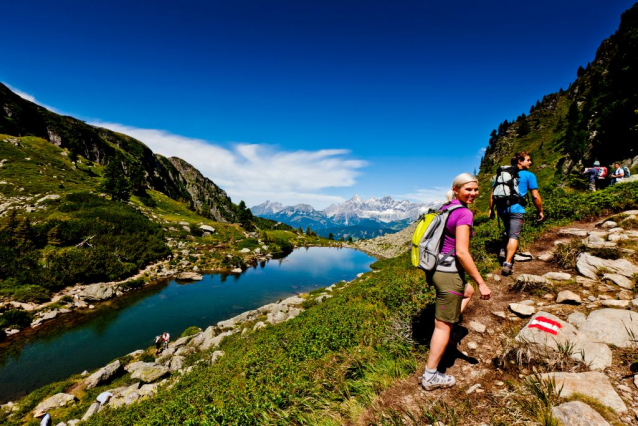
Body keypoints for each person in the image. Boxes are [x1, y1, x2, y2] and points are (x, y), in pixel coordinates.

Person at [421, 173, 491, 391]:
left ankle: (448, 329)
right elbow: (462, 252)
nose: (473, 193)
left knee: (466, 291)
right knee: (442, 327)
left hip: (436, 269)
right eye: (468, 189)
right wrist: (481, 282)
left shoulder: (446, 208)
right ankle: (430, 376)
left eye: (475, 189)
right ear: (456, 189)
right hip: (449, 273)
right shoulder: (463, 214)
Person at [489, 151, 543, 276]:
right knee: (514, 235)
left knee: (507, 229)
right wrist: (540, 210)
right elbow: (535, 196)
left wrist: (491, 209)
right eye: (528, 160)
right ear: (520, 161)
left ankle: (503, 249)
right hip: (517, 209)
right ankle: (507, 263)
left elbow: (492, 194)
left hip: (502, 209)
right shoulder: (529, 175)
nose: (530, 162)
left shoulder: (502, 174)